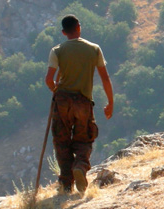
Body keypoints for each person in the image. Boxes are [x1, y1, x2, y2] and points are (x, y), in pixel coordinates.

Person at [44, 14, 114, 193]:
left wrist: (56, 91)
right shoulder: (94, 49)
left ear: (63, 32)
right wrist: (110, 102)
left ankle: (66, 183)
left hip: (62, 101)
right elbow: (105, 78)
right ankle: (80, 166)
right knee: (84, 138)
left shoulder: (57, 51)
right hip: (83, 101)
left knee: (61, 141)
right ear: (79, 27)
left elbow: (49, 79)